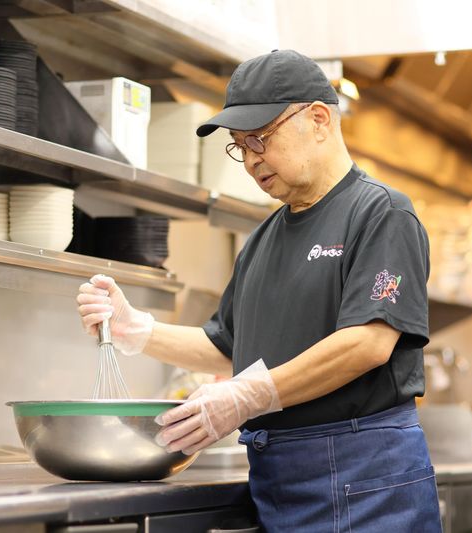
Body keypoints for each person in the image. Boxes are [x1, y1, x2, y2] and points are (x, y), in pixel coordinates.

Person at [77, 49, 441, 532]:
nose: (250, 160)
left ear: (317, 120)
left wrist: (247, 397)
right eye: (239, 146)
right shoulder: (262, 241)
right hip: (279, 481)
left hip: (364, 478)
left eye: (260, 139)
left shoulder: (381, 214)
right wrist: (137, 331)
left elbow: (368, 343)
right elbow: (226, 345)